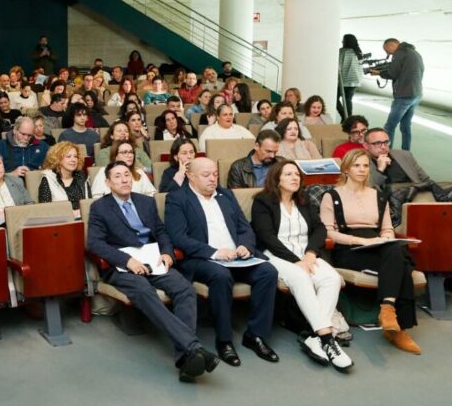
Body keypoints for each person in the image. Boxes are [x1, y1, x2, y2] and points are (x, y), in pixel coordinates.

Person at [88, 162, 218, 381]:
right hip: (123, 266)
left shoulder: (146, 202)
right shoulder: (100, 207)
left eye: (127, 175)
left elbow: (160, 231)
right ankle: (193, 346)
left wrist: (168, 252)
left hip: (154, 260)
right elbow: (94, 243)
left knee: (185, 290)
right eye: (117, 177)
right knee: (145, 291)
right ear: (108, 183)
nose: (124, 180)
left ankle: (186, 357)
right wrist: (127, 260)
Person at [165, 157, 280, 367]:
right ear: (190, 176)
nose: (212, 179)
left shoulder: (226, 195)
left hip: (236, 256)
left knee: (268, 272)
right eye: (206, 175)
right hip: (202, 258)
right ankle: (224, 340)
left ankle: (256, 335)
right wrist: (215, 253)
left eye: (215, 174)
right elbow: (179, 237)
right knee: (220, 275)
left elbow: (245, 227)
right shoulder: (177, 198)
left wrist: (245, 245)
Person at [251, 160, 352, 370]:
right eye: (288, 174)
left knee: (331, 278)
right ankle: (327, 339)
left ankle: (314, 337)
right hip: (276, 255)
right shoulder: (263, 201)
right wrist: (296, 261)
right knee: (300, 277)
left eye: (296, 174)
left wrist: (310, 254)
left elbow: (320, 229)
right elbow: (267, 237)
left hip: (305, 254)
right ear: (277, 179)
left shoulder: (303, 200)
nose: (295, 178)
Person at [319, 150, 420, 354]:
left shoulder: (378, 195)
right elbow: (328, 231)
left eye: (365, 166)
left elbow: (387, 228)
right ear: (346, 169)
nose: (362, 170)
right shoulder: (331, 196)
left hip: (379, 246)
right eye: (356, 166)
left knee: (394, 250)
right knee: (401, 262)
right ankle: (399, 328)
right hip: (349, 249)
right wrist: (361, 240)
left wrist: (384, 238)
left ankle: (387, 309)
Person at [38, 142, 90, 215]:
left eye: (75, 156)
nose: (73, 160)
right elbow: (45, 210)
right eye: (68, 156)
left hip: (83, 220)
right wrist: (72, 213)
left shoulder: (81, 177)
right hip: (60, 222)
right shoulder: (48, 179)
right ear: (58, 159)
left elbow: (89, 203)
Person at [91, 140, 155, 197]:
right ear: (115, 156)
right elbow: (97, 196)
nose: (130, 155)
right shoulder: (103, 172)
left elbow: (151, 194)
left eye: (131, 152)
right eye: (124, 152)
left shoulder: (139, 172)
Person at [337, 34, 363, 120]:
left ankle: (344, 116)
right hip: (355, 80)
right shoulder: (358, 52)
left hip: (344, 80)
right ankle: (348, 118)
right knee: (348, 99)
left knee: (335, 99)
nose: (342, 41)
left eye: (343, 40)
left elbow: (338, 66)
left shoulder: (342, 51)